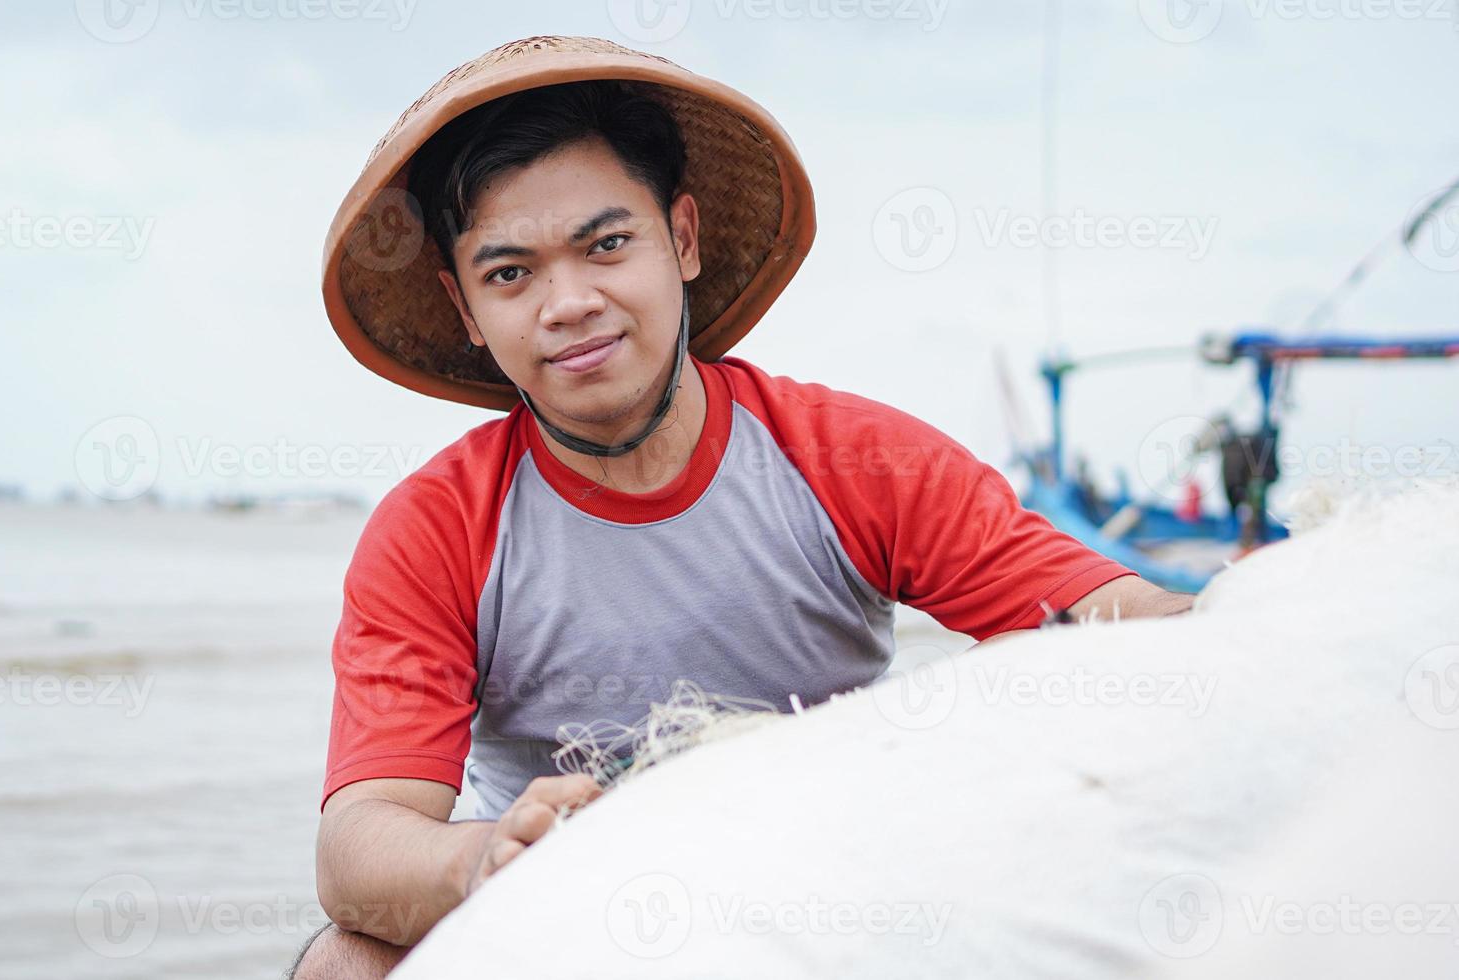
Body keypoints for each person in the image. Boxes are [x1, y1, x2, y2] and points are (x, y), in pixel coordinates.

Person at [296, 35, 1194, 978]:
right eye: (510, 273)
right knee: (346, 958)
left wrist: (1260, 609)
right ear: (468, 310)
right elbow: (357, 846)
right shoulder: (436, 528)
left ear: (681, 239)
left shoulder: (853, 460)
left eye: (607, 245)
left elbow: (1118, 622)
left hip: (826, 897)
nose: (568, 303)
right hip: (556, 909)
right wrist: (482, 856)